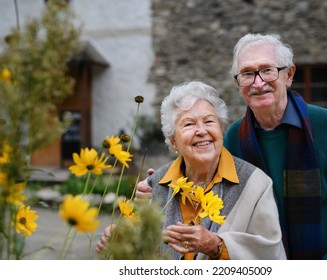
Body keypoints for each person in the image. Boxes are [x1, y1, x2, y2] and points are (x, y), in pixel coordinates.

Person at [136, 33, 327, 260]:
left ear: (289, 74)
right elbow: (210, 192)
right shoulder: (233, 138)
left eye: (267, 70)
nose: (258, 82)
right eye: (247, 73)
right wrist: (160, 189)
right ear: (238, 83)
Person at [96, 80, 286, 260]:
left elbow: (271, 254)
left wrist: (218, 246)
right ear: (173, 141)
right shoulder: (155, 185)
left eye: (209, 121)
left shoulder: (255, 184)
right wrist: (120, 240)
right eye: (189, 124)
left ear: (221, 130)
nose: (201, 130)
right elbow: (139, 252)